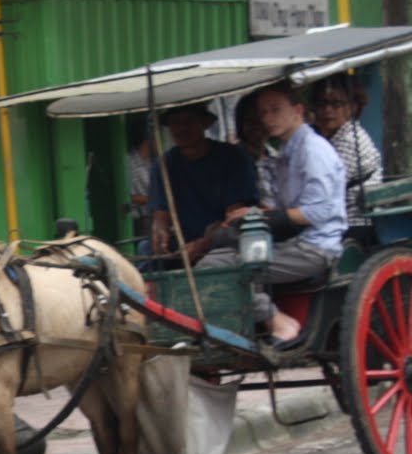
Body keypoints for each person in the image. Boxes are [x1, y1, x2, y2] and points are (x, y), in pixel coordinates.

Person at [198, 83, 346, 345]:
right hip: (291, 242)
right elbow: (283, 208)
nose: (267, 119)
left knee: (215, 268)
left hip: (312, 248)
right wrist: (254, 213)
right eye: (264, 113)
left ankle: (278, 322)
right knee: (219, 250)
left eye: (275, 110)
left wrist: (269, 217)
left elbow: (321, 210)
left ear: (298, 110)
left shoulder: (313, 150)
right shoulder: (287, 153)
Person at [147, 102, 259, 263]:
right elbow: (160, 215)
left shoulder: (232, 157)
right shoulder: (163, 165)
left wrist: (202, 244)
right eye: (174, 123)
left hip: (223, 241)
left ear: (205, 123)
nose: (180, 129)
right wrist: (159, 233)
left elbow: (234, 217)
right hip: (181, 244)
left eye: (187, 122)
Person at [310, 74, 383, 246]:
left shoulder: (349, 140)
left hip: (354, 228)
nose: (328, 111)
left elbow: (322, 191)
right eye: (322, 104)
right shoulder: (329, 138)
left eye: (336, 104)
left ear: (353, 107)